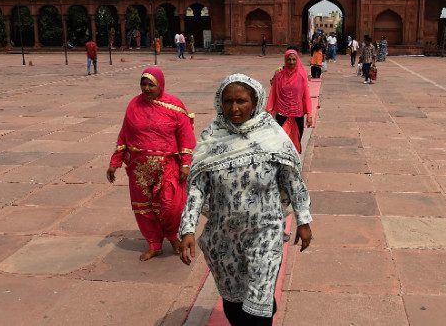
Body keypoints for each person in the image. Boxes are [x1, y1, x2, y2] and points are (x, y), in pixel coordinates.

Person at [179, 74, 312, 326]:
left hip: (265, 233)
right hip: (223, 237)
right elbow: (197, 187)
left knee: (259, 305)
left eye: (241, 101)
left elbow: (293, 181)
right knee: (233, 303)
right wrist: (188, 228)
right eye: (228, 101)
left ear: (255, 102)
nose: (234, 108)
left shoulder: (272, 137)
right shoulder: (212, 138)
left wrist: (303, 221)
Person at [106, 66, 196, 261]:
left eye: (151, 85)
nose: (146, 88)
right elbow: (124, 134)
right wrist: (115, 162)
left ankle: (173, 237)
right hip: (138, 167)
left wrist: (186, 163)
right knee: (143, 208)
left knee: (171, 206)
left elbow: (185, 135)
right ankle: (154, 243)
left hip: (167, 165)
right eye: (143, 84)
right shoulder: (133, 105)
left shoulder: (174, 106)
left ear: (160, 85)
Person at [266, 49, 313, 153]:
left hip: (297, 114)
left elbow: (306, 96)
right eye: (289, 59)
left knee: (296, 141)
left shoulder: (301, 76)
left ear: (297, 60)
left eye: (294, 59)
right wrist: (268, 111)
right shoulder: (279, 76)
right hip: (282, 113)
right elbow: (273, 94)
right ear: (285, 60)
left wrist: (309, 114)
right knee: (280, 142)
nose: (291, 62)